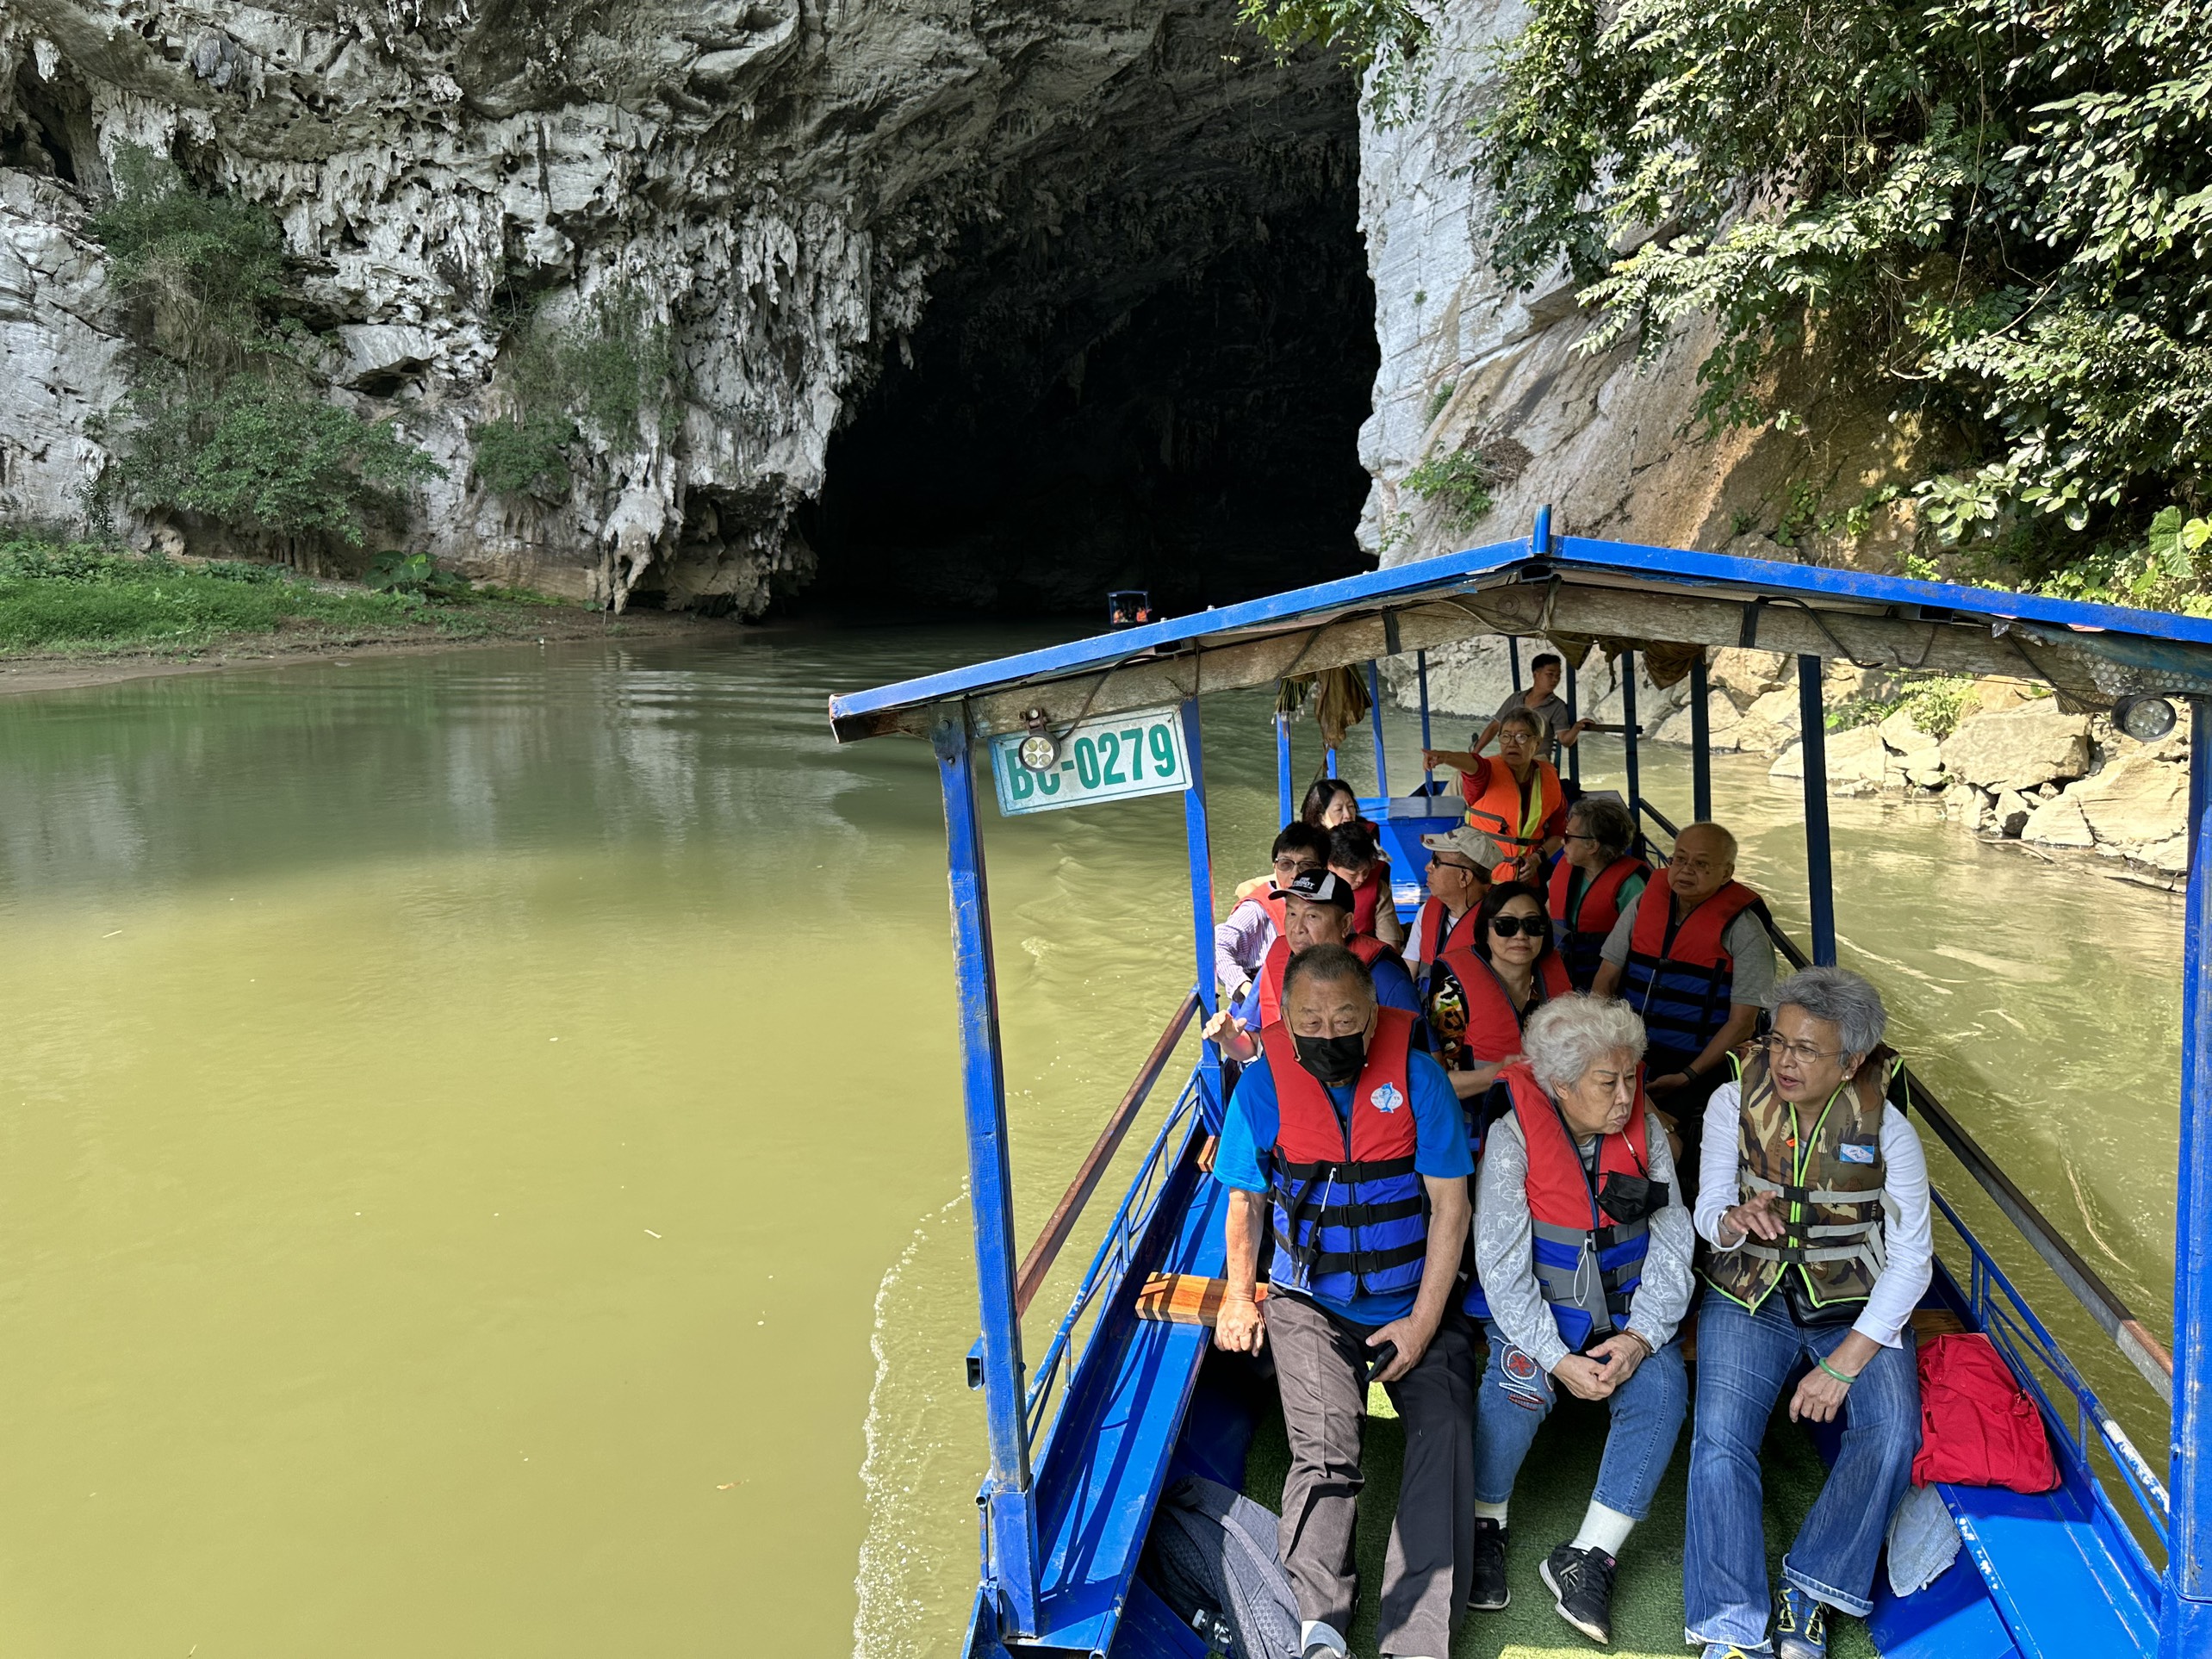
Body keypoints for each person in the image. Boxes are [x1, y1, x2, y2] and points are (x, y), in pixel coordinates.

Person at [1211, 946, 1476, 1659]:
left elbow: (1451, 1207)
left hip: (1412, 1295)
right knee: (1326, 1447)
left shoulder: (1420, 1080)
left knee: (1445, 1432)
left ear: (1373, 1018)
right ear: (1287, 1023)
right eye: (1311, 1021)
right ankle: (1318, 1624)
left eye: (1346, 1019)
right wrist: (1240, 1297)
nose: (1329, 1034)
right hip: (1308, 1302)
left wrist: (1421, 1326)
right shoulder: (1261, 1089)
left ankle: (1416, 1640)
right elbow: (1246, 1201)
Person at [1685, 968, 1932, 1659]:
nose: (1784, 1061)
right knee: (1721, 1440)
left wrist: (1845, 1365)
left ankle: (1813, 1590)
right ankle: (1730, 1624)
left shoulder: (1890, 1129)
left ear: (1851, 1062)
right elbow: (1707, 1211)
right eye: (1777, 1042)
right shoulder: (1733, 1098)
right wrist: (1733, 1220)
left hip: (1853, 1300)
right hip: (1749, 1290)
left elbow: (1913, 1260)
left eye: (1806, 1049)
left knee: (1891, 1432)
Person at [1465, 994, 1692, 1644]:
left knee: (1662, 1392)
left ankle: (1589, 1555)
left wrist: (1640, 1337)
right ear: (1560, 1087)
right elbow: (1501, 1269)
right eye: (1607, 1082)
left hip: (1627, 1320)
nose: (1626, 1096)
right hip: (1540, 1320)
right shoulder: (1513, 1141)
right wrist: (1555, 1358)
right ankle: (1487, 1522)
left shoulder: (1645, 1137)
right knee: (1514, 1388)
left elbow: (1675, 1246)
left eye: (1631, 1078)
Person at [1590, 822, 1773, 1190]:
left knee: (1668, 1152)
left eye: (1702, 865)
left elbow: (1742, 1024)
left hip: (1696, 1067)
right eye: (1680, 859)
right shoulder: (1647, 902)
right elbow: (1606, 980)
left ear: (1727, 873)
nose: (1686, 870)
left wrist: (1688, 1075)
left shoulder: (1745, 929)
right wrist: (1599, 1048)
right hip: (1626, 1052)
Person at [1206, 871, 1422, 1059]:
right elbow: (1251, 1046)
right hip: (1291, 1093)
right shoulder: (1277, 962)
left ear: (1345, 924)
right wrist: (1228, 1037)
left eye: (1312, 916)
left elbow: (1423, 1060)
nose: (1297, 928)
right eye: (1291, 913)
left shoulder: (1384, 976)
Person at [1424, 881, 1571, 1112]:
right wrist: (1498, 1072)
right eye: (1506, 925)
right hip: (1478, 1120)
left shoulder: (1554, 983)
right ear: (1486, 931)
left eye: (1533, 925)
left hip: (1547, 1112)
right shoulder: (1452, 993)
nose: (1521, 935)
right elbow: (1434, 1081)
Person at [1422, 708, 1568, 883]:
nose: (1512, 743)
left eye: (1521, 737)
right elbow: (1472, 764)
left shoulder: (1549, 778)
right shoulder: (1485, 773)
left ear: (1537, 743)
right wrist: (1445, 757)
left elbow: (1558, 833)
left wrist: (1536, 859)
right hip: (1483, 882)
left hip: (1528, 879)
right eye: (1506, 736)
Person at [1215, 823, 1329, 1010]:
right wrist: (1246, 988)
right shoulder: (1257, 910)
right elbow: (1217, 945)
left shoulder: (1333, 907)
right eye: (1286, 865)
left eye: (1306, 865)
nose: (1295, 874)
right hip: (1265, 1010)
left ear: (1323, 869)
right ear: (1275, 867)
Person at [1549, 798, 1650, 991]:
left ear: (1592, 845)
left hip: (1603, 984)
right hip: (1562, 973)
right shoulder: (1567, 868)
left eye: (1568, 836)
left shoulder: (1631, 886)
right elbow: (1550, 908)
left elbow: (1639, 943)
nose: (1563, 840)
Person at [1469, 651, 1589, 761]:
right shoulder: (1516, 699)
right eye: (1550, 674)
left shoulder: (1557, 706)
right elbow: (1493, 728)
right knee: (1470, 776)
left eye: (1558, 676)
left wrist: (1576, 728)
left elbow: (1565, 740)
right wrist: (1475, 753)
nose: (1555, 680)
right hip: (1511, 758)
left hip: (1538, 761)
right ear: (1536, 674)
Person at [1407, 826, 1494, 973]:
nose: (1427, 868)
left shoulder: (1501, 922)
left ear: (1464, 877)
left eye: (1436, 861)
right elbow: (1409, 968)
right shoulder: (1427, 912)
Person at [1330, 820, 1407, 948]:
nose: (1361, 879)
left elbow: (1390, 944)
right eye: (1352, 875)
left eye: (1365, 871)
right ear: (1331, 865)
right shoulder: (1313, 885)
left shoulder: (1378, 889)